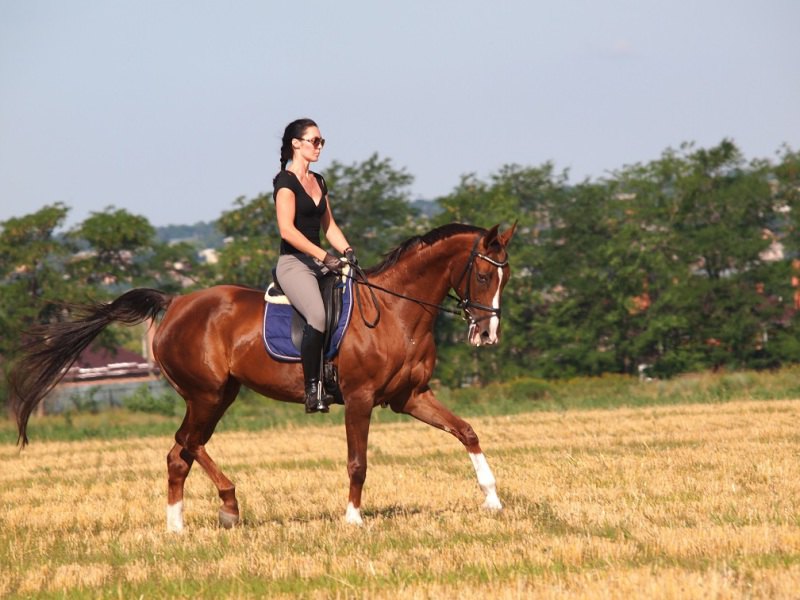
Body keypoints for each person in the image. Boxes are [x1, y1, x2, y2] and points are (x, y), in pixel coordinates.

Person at [272, 118, 357, 413]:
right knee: (318, 316)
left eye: (322, 141)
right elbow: (288, 231)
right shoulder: (286, 182)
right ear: (296, 144)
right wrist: (325, 257)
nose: (319, 146)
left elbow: (329, 226)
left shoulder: (318, 180)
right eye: (314, 140)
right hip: (295, 263)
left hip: (321, 261)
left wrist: (346, 250)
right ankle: (313, 388)